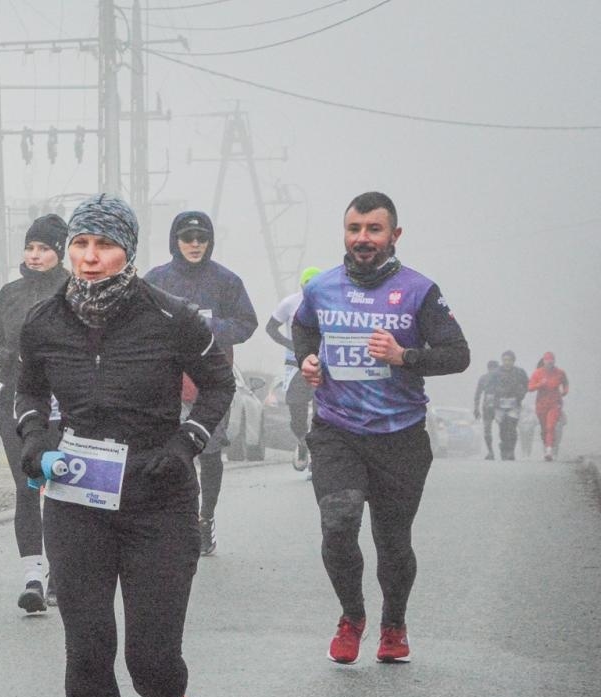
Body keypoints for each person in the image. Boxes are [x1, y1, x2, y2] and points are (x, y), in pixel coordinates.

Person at [15, 194, 232, 697]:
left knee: (150, 657)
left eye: (103, 245)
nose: (89, 258)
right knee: (87, 648)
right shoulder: (42, 321)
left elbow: (219, 384)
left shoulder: (172, 317)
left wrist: (186, 444)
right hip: (79, 503)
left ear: (127, 252)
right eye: (81, 244)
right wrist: (34, 439)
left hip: (158, 503)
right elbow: (26, 390)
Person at [293, 191, 469, 665]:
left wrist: (404, 356)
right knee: (339, 524)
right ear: (345, 233)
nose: (363, 239)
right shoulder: (321, 288)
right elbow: (304, 329)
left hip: (400, 437)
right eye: (355, 229)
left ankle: (394, 623)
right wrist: (308, 360)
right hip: (336, 431)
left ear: (395, 235)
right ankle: (352, 617)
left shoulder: (419, 290)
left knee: (392, 542)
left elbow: (458, 354)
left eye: (374, 229)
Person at [146, 210, 258, 556]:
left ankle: (205, 517)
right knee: (169, 455)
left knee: (209, 454)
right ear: (174, 242)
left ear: (209, 242)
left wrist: (209, 327)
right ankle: (175, 520)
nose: (194, 245)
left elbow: (247, 323)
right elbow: (138, 321)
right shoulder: (156, 279)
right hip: (166, 383)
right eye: (187, 238)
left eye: (201, 239)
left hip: (212, 383)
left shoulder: (227, 281)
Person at [0, 214, 68, 612]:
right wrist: (4, 354)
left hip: (63, 408)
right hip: (15, 404)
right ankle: (33, 577)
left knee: (61, 492)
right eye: (30, 248)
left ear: (60, 252)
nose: (35, 256)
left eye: (44, 249)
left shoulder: (75, 291)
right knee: (27, 488)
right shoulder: (10, 293)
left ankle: (61, 572)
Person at [265, 266, 322, 475]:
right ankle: (302, 442)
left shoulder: (331, 302)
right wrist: (290, 344)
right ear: (302, 285)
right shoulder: (290, 303)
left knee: (321, 412)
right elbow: (270, 328)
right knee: (296, 411)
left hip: (322, 364)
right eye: (308, 285)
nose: (312, 289)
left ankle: (316, 459)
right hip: (295, 363)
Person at [527, 352, 569, 461]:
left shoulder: (560, 372)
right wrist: (540, 384)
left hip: (555, 404)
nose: (550, 362)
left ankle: (549, 450)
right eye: (547, 360)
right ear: (544, 361)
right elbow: (530, 388)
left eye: (552, 360)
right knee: (544, 428)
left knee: (550, 426)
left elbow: (565, 383)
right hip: (541, 405)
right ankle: (547, 446)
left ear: (554, 361)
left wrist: (565, 391)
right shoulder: (537, 373)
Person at [488, 350, 529, 460]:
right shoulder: (496, 373)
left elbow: (526, 385)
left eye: (509, 360)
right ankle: (504, 446)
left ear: (513, 361)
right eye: (505, 360)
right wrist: (493, 400)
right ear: (502, 361)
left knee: (512, 428)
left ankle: (510, 451)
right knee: (503, 429)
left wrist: (520, 394)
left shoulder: (520, 372)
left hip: (514, 404)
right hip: (499, 406)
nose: (507, 362)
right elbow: (490, 387)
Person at [472, 359, 501, 459]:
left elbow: (477, 394)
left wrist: (476, 408)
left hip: (489, 407)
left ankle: (491, 451)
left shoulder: (484, 378)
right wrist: (476, 408)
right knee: (496, 429)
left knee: (488, 430)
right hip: (497, 407)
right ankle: (494, 451)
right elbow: (478, 394)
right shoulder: (498, 377)